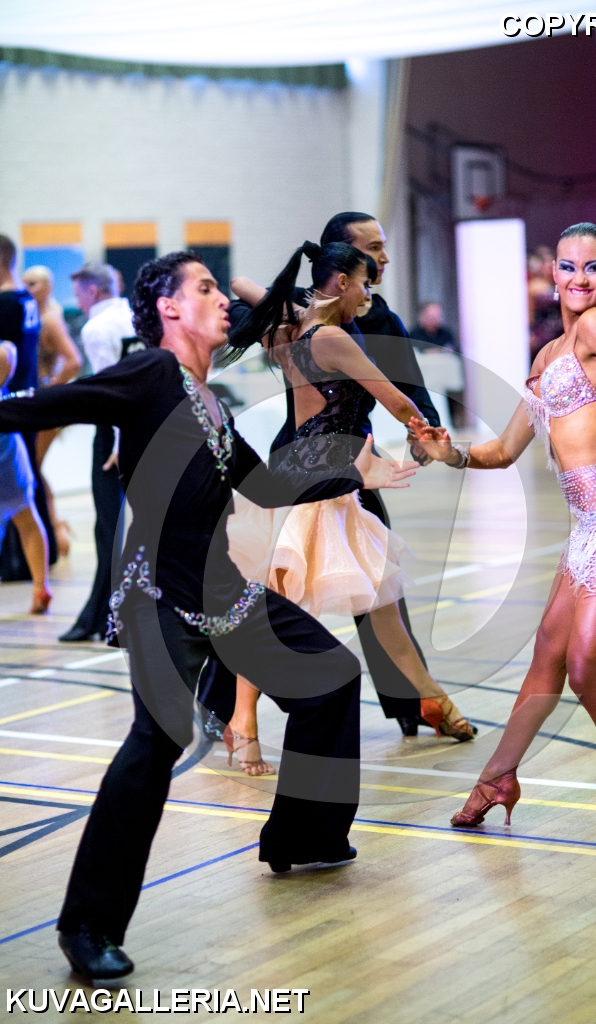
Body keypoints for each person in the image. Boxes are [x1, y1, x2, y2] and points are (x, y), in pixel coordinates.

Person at [0, 250, 416, 978]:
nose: (222, 297)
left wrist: (356, 473)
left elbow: (265, 484)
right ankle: (87, 926)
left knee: (328, 676)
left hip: (223, 592)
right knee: (156, 740)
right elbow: (49, 406)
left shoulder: (211, 401)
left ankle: (304, 836)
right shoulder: (151, 372)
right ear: (168, 308)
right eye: (205, 287)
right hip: (161, 595)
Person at [410, 221, 596, 857]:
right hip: (586, 527)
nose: (579, 278)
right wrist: (446, 452)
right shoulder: (546, 356)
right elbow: (504, 451)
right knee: (546, 661)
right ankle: (497, 778)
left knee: (585, 669)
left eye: (593, 267)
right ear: (550, 275)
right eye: (568, 266)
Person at [220, 241, 476, 773]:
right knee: (280, 608)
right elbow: (394, 399)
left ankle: (433, 699)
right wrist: (429, 436)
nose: (368, 296)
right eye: (364, 283)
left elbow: (243, 284)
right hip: (314, 485)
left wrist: (294, 300)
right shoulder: (331, 337)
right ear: (340, 281)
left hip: (324, 479)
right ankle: (242, 721)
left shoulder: (288, 329)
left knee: (381, 605)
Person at [59, 262, 133, 642]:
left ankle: (104, 617)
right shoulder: (135, 316)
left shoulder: (96, 328)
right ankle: (101, 615)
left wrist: (118, 445)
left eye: (78, 294)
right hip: (144, 425)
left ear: (92, 291)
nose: (78, 302)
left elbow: (114, 389)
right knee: (115, 528)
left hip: (114, 434)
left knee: (110, 528)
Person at [0, 234, 54, 608]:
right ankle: (39, 585)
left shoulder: (6, 303)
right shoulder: (26, 300)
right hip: (23, 410)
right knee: (25, 506)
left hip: (8, 414)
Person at [22, 265, 83, 557]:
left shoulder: (49, 319)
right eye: (24, 283)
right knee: (33, 469)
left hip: (44, 408)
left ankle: (55, 529)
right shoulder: (36, 316)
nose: (26, 289)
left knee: (32, 469)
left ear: (47, 287)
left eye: (32, 283)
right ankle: (54, 528)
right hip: (39, 407)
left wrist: (50, 389)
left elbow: (73, 361)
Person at [410, 301, 465, 427]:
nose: (434, 320)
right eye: (431, 316)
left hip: (443, 378)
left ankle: (449, 421)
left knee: (448, 397)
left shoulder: (446, 333)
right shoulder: (414, 334)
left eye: (437, 316)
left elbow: (453, 349)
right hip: (422, 379)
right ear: (422, 316)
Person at [528, 245, 563, 363]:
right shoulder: (533, 285)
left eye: (553, 266)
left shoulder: (561, 285)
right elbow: (530, 313)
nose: (550, 269)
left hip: (559, 332)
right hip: (541, 334)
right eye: (547, 266)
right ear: (540, 267)